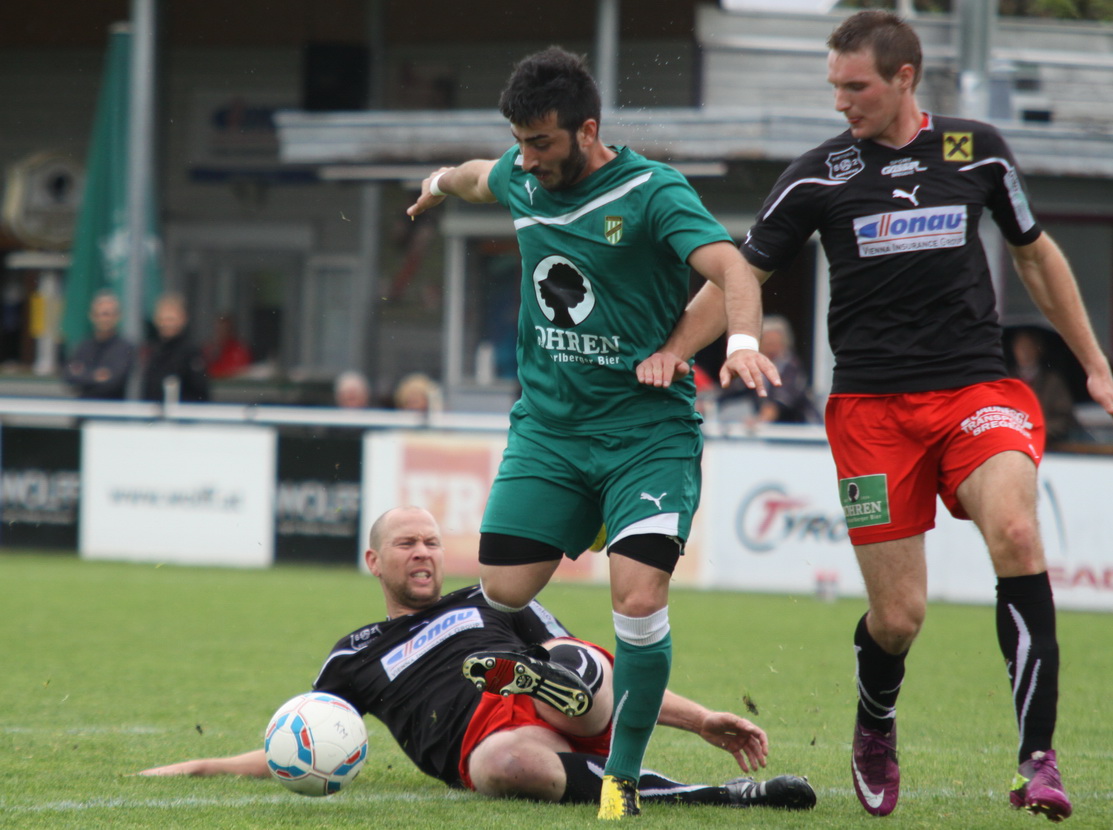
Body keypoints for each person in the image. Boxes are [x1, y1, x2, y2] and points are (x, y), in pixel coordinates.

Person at [650, 10, 1113, 821]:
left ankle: (1036, 759)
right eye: (833, 87)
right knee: (898, 619)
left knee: (1015, 533)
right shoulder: (816, 175)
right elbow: (738, 273)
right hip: (870, 411)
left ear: (905, 77)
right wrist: (666, 354)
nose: (841, 102)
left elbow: (1034, 254)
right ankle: (874, 720)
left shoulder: (976, 150)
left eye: (855, 86)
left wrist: (1094, 362)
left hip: (975, 391)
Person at [405, 47, 778, 819]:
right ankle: (567, 658)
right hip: (549, 432)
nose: (527, 159)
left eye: (541, 142)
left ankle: (622, 779)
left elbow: (734, 268)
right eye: (519, 142)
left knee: (637, 600)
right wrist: (436, 184)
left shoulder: (651, 192)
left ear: (587, 130)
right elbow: (475, 175)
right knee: (503, 590)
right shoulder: (519, 174)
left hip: (643, 433)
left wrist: (737, 343)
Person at [137, 507, 816, 812]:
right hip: (492, 741)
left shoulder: (491, 598)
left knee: (567, 662)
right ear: (374, 560)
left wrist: (701, 719)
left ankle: (545, 685)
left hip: (567, 701)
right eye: (406, 544)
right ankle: (721, 797)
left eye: (432, 543)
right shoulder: (355, 653)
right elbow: (305, 738)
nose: (423, 553)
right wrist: (204, 765)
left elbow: (610, 672)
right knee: (502, 767)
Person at [719, 315, 820, 427]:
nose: (771, 349)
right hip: (773, 429)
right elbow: (732, 390)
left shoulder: (791, 367)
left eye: (775, 344)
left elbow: (780, 401)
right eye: (767, 344)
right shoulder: (755, 366)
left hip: (802, 429)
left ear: (785, 344)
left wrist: (759, 420)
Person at [1009, 328, 1086, 447]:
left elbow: (1064, 418)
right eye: (1020, 347)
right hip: (1013, 445)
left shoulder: (1053, 382)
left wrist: (1038, 430)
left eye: (1028, 346)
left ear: (1038, 348)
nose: (1023, 352)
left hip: (1049, 447)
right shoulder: (1007, 381)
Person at [62, 291, 136, 399]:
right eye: (99, 314)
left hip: (112, 407)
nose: (104, 319)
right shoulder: (84, 346)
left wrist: (83, 375)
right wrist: (96, 376)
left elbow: (114, 382)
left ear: (118, 316)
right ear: (92, 316)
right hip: (83, 407)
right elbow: (68, 376)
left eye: (107, 314)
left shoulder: (125, 348)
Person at [141, 293, 210, 403]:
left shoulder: (191, 352)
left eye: (171, 319)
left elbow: (200, 392)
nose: (166, 324)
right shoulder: (153, 350)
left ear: (183, 319)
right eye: (162, 319)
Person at [203, 313, 252, 379]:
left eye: (224, 329)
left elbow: (239, 373)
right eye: (218, 329)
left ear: (230, 330)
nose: (221, 333)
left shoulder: (239, 350)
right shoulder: (209, 349)